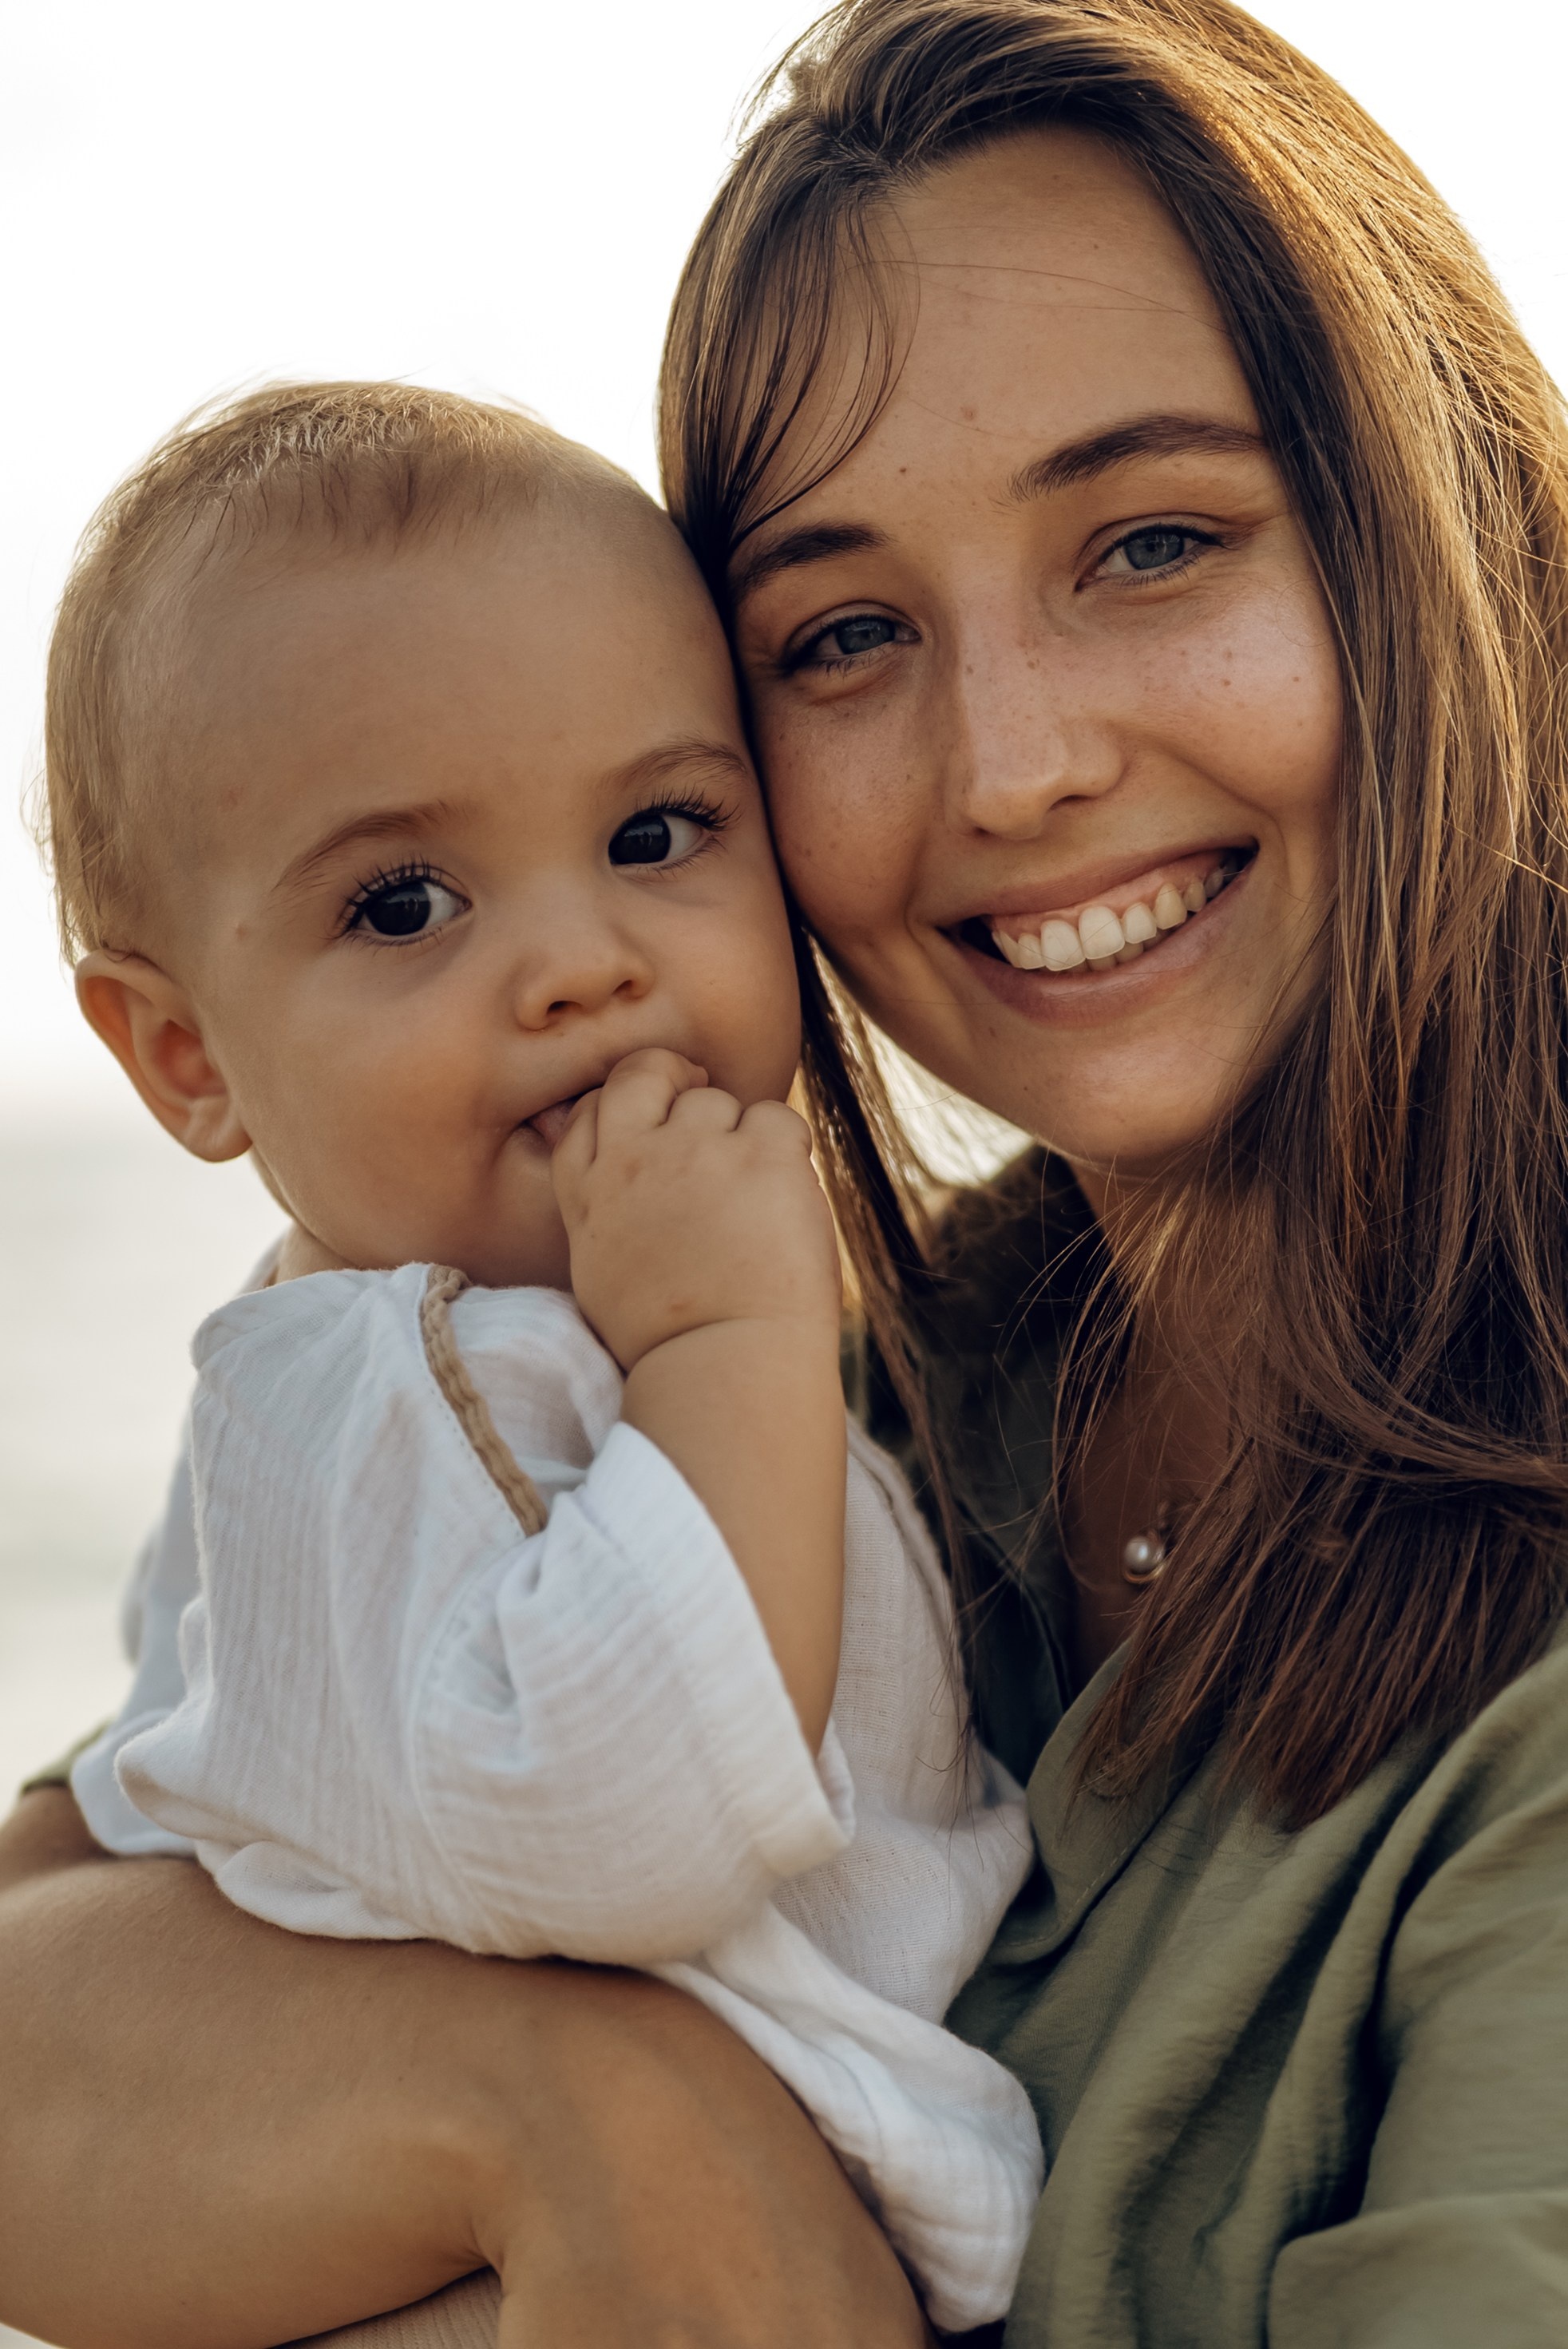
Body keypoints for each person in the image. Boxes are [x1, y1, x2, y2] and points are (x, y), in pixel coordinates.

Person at [3, 1, 1567, 2343]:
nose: (1014, 762)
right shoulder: (878, 1382)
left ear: (1473, 540)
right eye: (843, 633)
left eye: (1150, 543)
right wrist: (580, 2108)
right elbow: (74, 1920)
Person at [42, 377, 1039, 2335]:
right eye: (402, 904)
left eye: (659, 829)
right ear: (187, 1057)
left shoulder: (473, 1352)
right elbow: (614, 1835)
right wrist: (730, 1336)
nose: (580, 958)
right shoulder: (388, 1396)